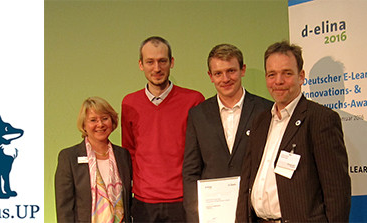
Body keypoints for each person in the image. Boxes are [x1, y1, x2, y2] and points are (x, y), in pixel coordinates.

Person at [236, 41, 351, 222]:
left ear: (301, 76)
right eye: (272, 74)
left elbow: (337, 191)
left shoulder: (321, 119)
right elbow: (247, 181)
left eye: (287, 73)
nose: (278, 81)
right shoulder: (260, 121)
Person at [182, 43, 273, 222]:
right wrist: (195, 216)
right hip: (213, 216)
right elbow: (191, 171)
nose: (225, 79)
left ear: (243, 70)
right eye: (218, 73)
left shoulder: (265, 110)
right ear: (210, 76)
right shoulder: (197, 114)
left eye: (231, 71)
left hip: (255, 215)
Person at [121, 36, 204, 222]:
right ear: (141, 64)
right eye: (150, 62)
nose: (157, 68)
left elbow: (200, 152)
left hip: (183, 200)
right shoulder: (129, 103)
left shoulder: (194, 100)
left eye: (162, 61)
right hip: (144, 202)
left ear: (171, 62)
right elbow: (129, 151)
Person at [55, 97, 132, 223]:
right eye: (93, 120)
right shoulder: (69, 157)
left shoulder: (123, 155)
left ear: (112, 122)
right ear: (84, 125)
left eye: (104, 118)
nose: (100, 124)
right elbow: (64, 208)